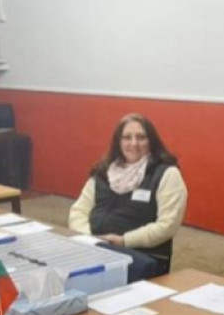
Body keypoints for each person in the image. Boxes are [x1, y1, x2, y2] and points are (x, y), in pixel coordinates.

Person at [69, 113, 187, 276]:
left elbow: (168, 225)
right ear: (118, 142)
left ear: (151, 141)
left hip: (141, 259)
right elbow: (78, 211)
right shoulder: (103, 171)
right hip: (94, 249)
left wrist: (124, 241)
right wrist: (91, 238)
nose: (134, 143)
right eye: (126, 137)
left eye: (141, 137)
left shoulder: (167, 174)